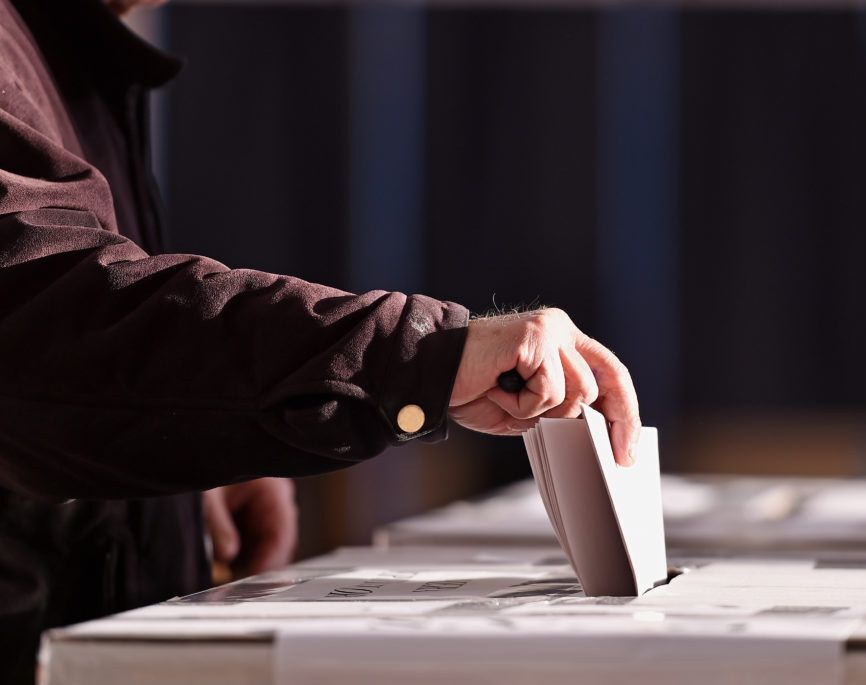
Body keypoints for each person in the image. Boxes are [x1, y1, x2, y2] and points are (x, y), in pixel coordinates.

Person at [0, 0, 641, 681]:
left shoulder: (61, 41)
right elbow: (42, 331)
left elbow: (75, 384)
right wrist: (420, 356)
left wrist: (182, 472)